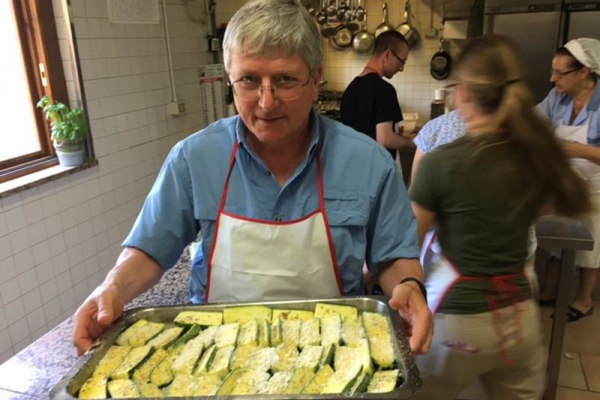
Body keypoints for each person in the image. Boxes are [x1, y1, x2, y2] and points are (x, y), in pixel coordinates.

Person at [72, 0, 433, 357]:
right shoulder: (194, 158)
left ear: (315, 79)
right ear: (231, 80)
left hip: (331, 353)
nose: (266, 102)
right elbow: (150, 250)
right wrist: (112, 287)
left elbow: (393, 257)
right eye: (248, 80)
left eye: (285, 80)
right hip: (216, 356)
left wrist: (409, 286)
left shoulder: (368, 164)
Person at [410, 35, 591, 400]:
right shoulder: (533, 156)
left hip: (459, 323)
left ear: (462, 92)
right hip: (519, 320)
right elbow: (551, 204)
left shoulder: (441, 161)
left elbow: (408, 238)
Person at [537, 38, 600, 322]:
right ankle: (550, 290)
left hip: (595, 185)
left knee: (592, 244)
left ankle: (584, 299)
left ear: (584, 72)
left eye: (560, 73)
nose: (552, 79)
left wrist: (576, 150)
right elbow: (533, 121)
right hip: (562, 182)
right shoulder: (557, 97)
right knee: (556, 239)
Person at [340, 31, 414, 162]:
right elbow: (385, 139)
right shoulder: (385, 90)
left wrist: (396, 135)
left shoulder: (350, 90)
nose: (401, 68)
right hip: (376, 168)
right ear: (387, 55)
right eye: (401, 61)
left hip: (353, 165)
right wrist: (411, 141)